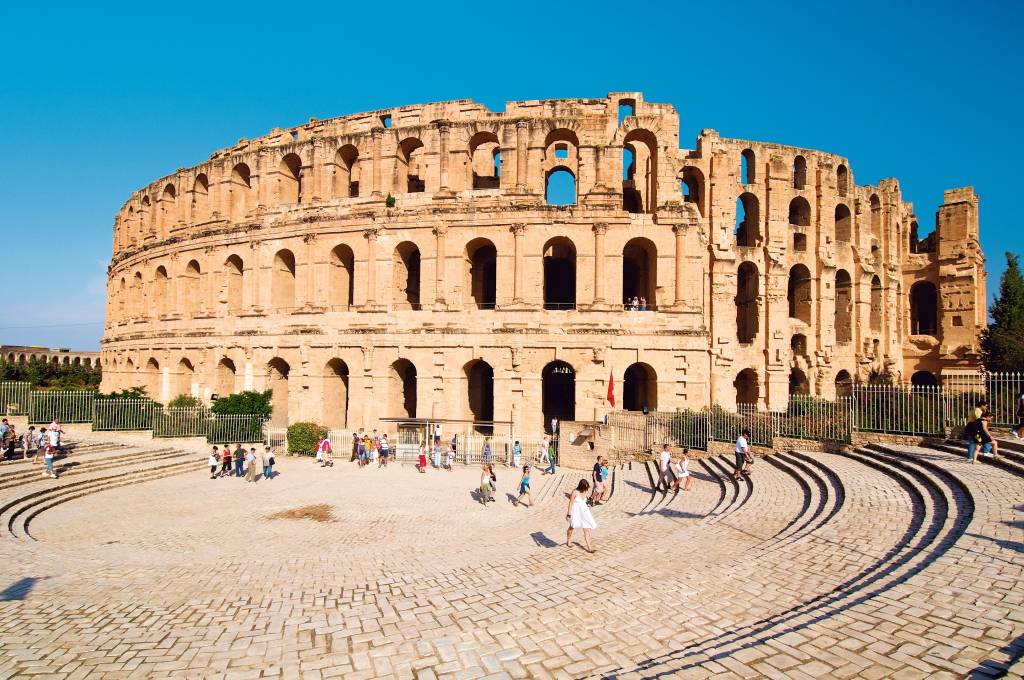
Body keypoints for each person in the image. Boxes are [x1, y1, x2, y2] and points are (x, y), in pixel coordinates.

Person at [566, 479, 596, 552]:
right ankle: (568, 540)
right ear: (581, 486)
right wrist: (569, 514)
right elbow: (571, 503)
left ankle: (589, 548)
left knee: (586, 529)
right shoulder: (575, 492)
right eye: (585, 487)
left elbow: (584, 502)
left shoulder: (585, 491)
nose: (586, 489)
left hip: (584, 512)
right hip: (576, 512)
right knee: (572, 527)